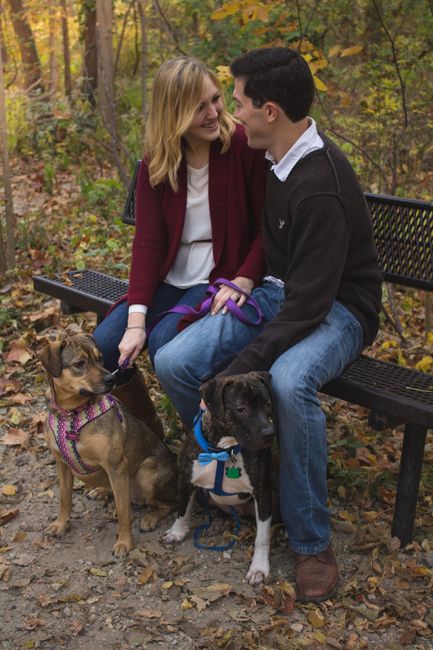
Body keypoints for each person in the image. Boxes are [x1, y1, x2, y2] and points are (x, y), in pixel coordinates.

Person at [154, 47, 382, 602]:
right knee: (175, 361)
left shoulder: (320, 183)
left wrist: (240, 366)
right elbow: (277, 269)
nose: (233, 113)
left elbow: (310, 307)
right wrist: (245, 283)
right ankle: (231, 471)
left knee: (288, 380)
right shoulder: (276, 158)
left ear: (270, 111)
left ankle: (310, 541)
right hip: (282, 293)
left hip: (340, 309)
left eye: (238, 102)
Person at [93, 56, 267, 421]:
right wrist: (135, 322)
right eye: (198, 107)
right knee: (105, 344)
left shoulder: (241, 146)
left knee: (163, 342)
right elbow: (148, 243)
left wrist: (246, 277)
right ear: (174, 114)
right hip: (169, 278)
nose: (213, 113)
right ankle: (143, 431)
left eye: (215, 99)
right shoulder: (159, 160)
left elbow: (266, 228)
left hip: (217, 277)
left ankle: (215, 437)